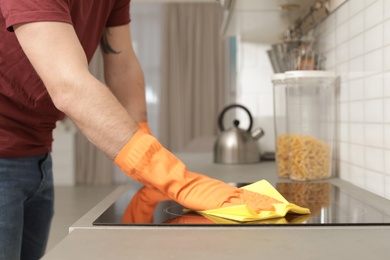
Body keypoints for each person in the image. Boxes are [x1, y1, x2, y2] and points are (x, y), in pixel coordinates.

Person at [0, 1, 280, 259]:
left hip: (37, 152)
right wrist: (171, 176)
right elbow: (69, 85)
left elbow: (123, 66)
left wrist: (146, 150)